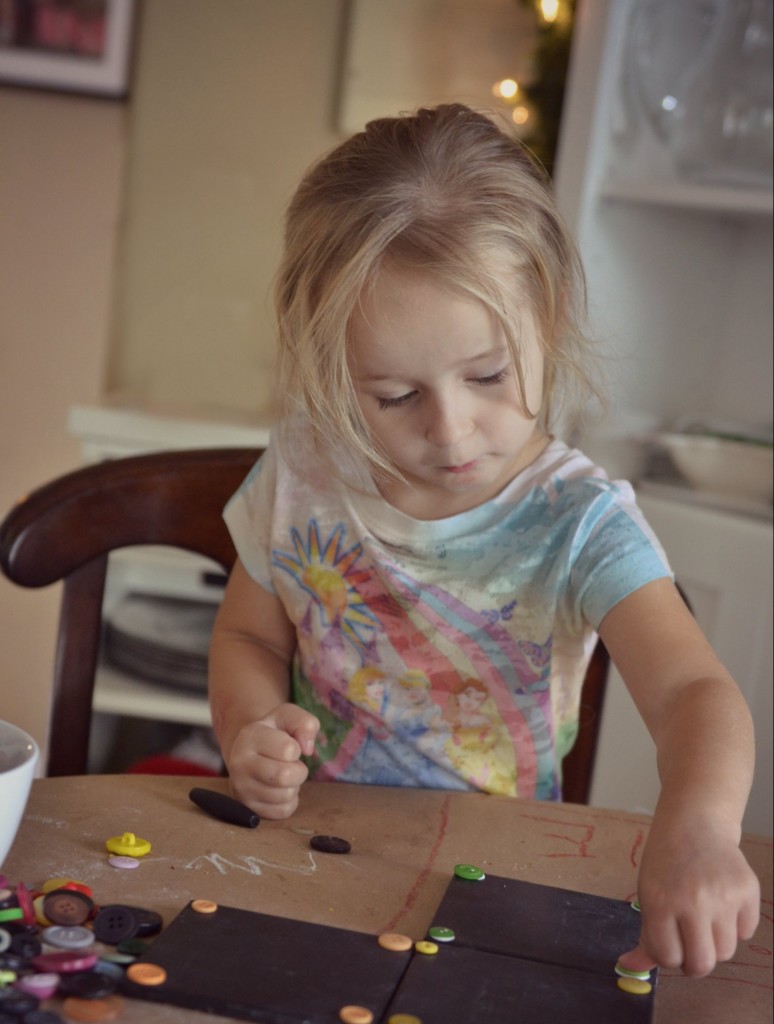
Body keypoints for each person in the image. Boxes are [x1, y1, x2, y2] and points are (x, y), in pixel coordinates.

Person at [208, 103, 760, 979]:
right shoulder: (302, 473)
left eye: (489, 375)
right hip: (307, 851)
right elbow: (247, 635)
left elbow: (694, 690)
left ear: (548, 317)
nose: (454, 430)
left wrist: (697, 830)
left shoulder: (579, 520)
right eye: (394, 396)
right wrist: (248, 727)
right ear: (328, 367)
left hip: (495, 874)